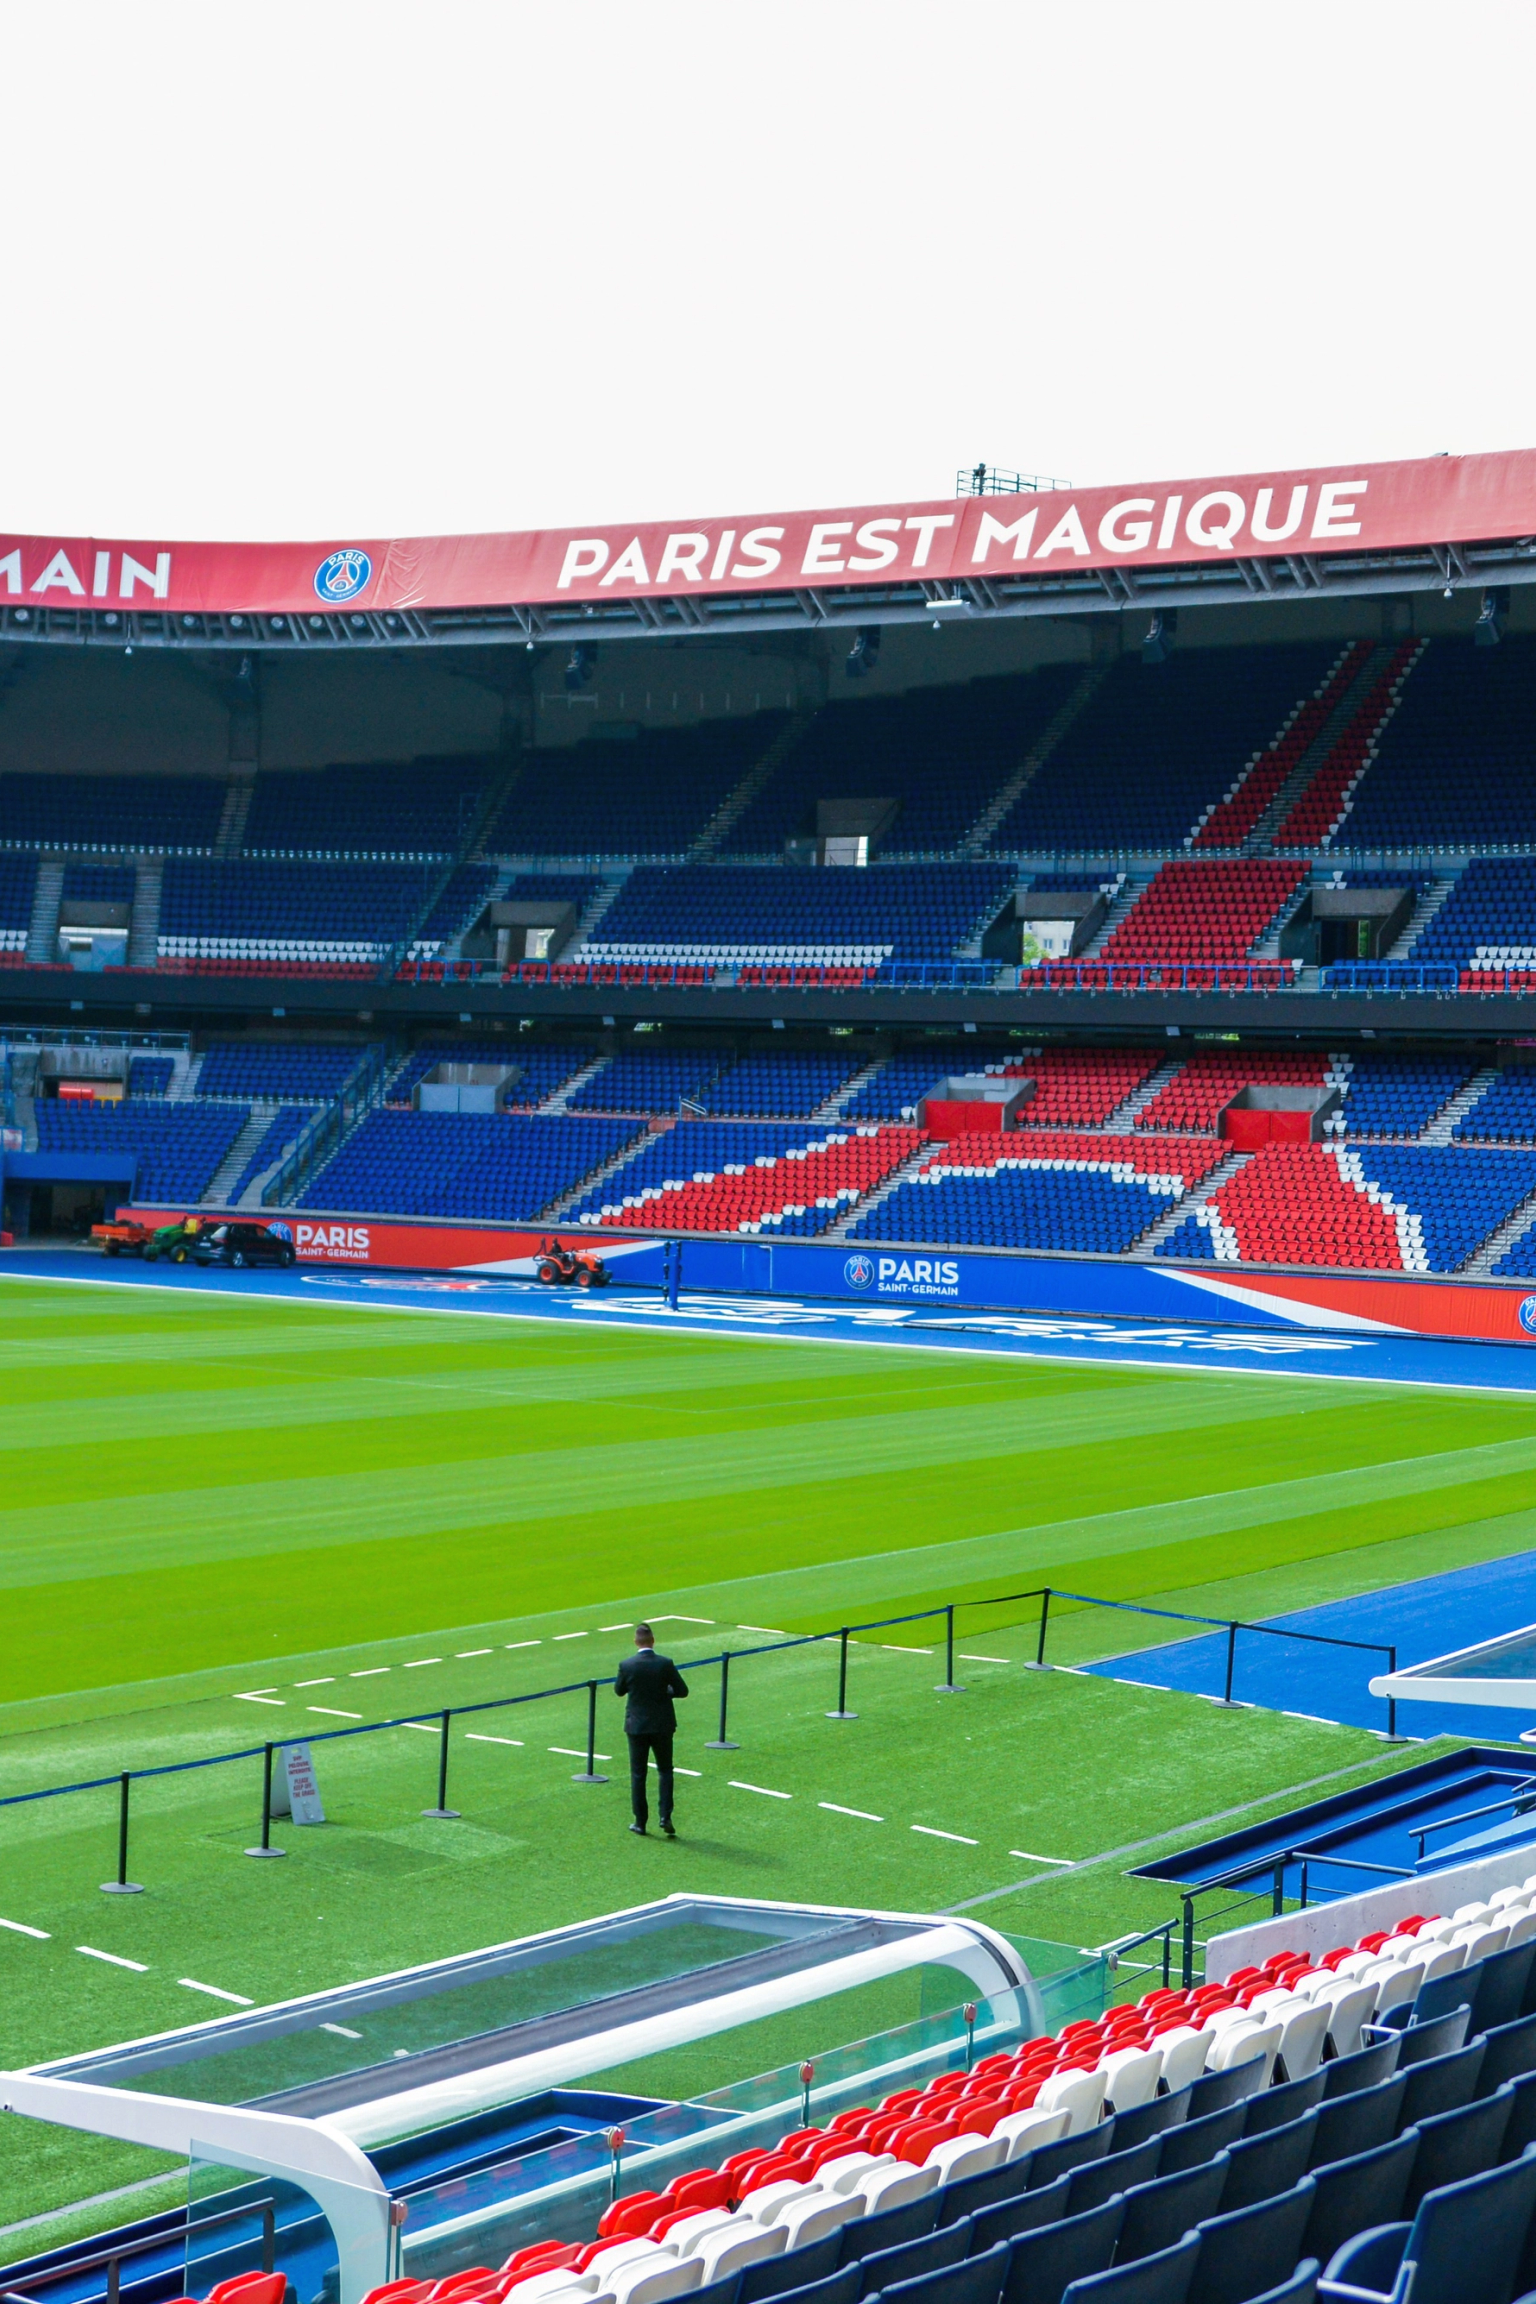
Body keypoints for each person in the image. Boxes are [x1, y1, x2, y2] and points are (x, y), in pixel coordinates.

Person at [614, 1623, 688, 1838]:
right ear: (653, 1641)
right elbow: (682, 1690)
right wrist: (666, 1692)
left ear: (636, 1642)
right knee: (665, 1770)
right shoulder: (665, 1663)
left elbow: (619, 1690)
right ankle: (665, 1816)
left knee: (638, 1774)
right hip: (662, 1724)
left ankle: (640, 1822)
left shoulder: (627, 1665)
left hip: (636, 1726)